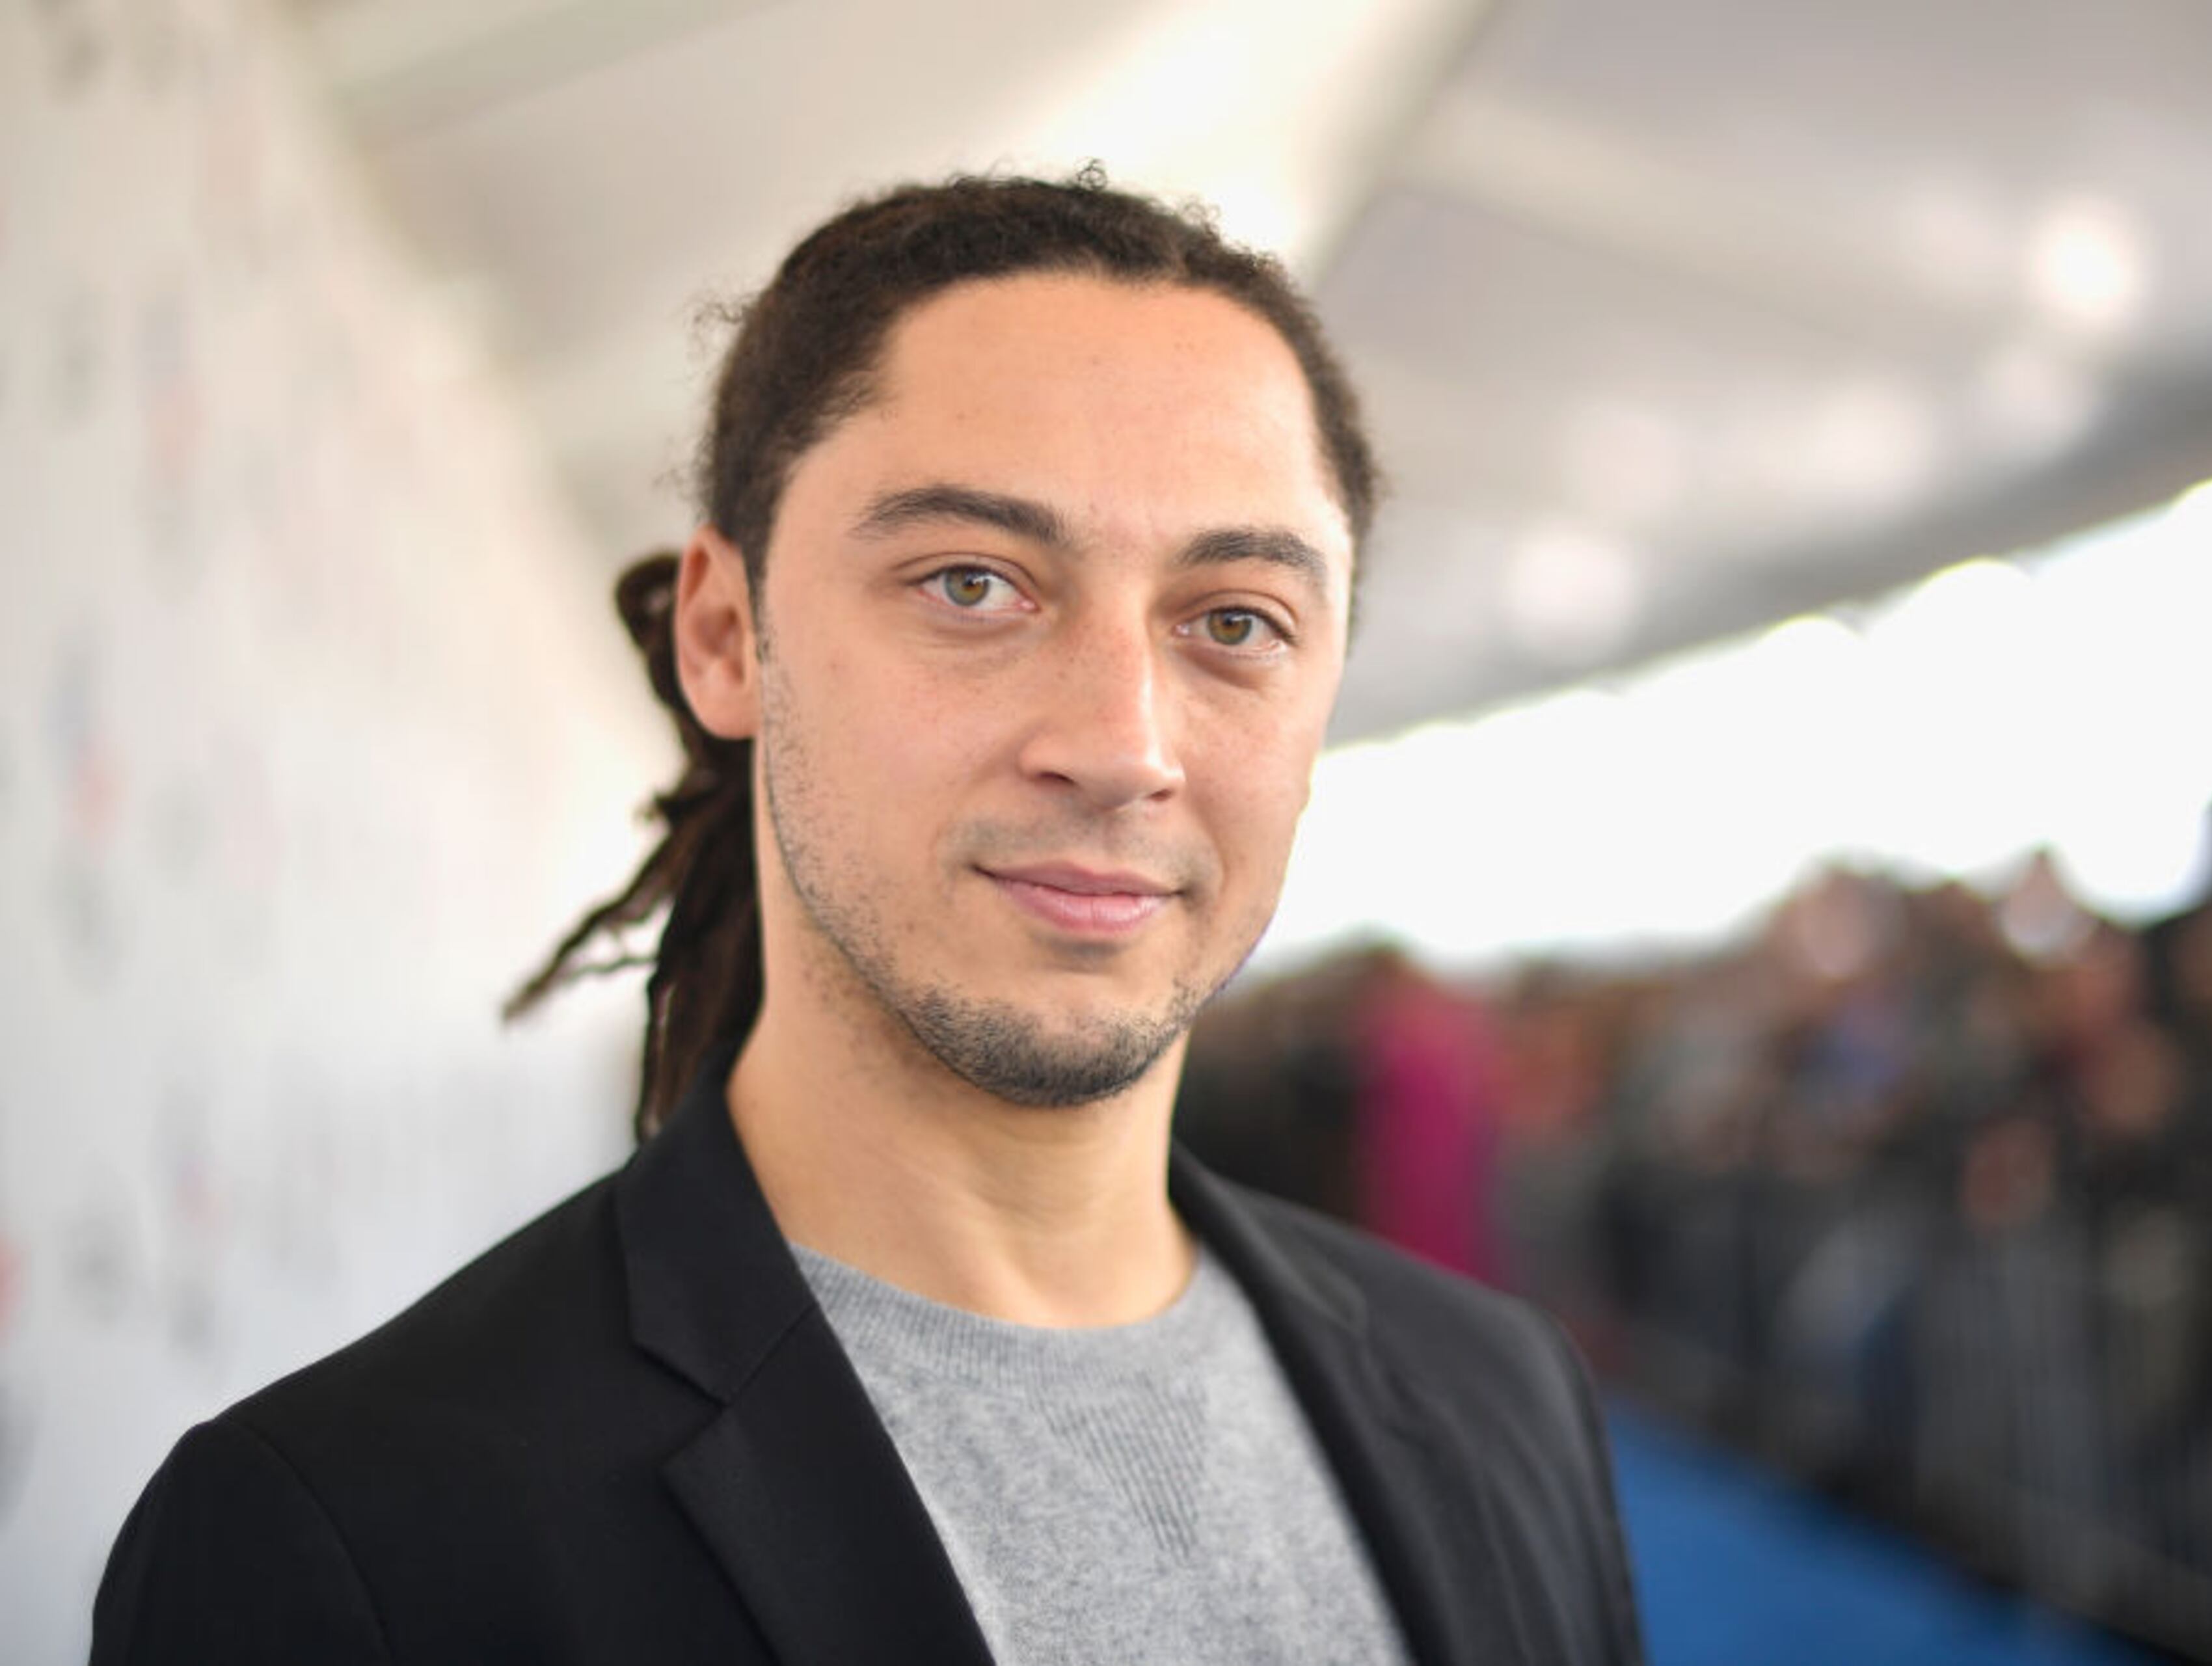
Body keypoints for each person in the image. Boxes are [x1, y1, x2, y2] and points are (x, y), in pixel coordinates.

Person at [90, 170, 1646, 1665]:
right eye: (973, 584)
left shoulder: (1501, 1396)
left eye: (1236, 621)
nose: (1122, 743)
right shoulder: (352, 1539)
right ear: (725, 638)